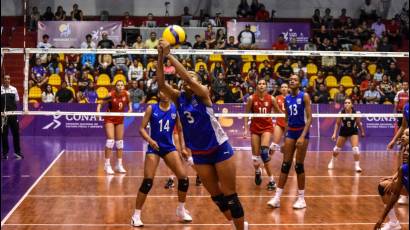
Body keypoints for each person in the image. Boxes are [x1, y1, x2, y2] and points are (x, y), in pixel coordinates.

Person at [157, 39, 248, 230]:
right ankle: (235, 224)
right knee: (216, 196)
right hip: (199, 153)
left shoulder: (204, 93)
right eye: (185, 77)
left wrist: (169, 55)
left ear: (199, 82)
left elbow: (188, 79)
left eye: (192, 77)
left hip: (219, 147)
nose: (187, 79)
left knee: (230, 196)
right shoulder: (178, 98)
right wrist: (160, 56)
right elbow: (161, 83)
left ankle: (241, 227)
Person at [130, 91, 192, 226]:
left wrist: (182, 148)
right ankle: (136, 215)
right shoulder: (152, 108)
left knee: (184, 179)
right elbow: (141, 129)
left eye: (166, 91)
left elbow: (180, 130)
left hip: (169, 147)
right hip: (154, 148)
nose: (164, 93)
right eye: (161, 91)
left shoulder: (175, 109)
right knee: (147, 182)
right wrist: (150, 141)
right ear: (159, 94)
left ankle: (181, 209)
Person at [267, 74, 312, 209]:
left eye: (295, 80)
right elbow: (286, 120)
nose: (292, 81)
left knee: (298, 165)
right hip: (291, 132)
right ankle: (277, 198)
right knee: (285, 165)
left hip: (302, 131)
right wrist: (285, 139)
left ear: (299, 83)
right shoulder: (287, 99)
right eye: (290, 79)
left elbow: (310, 118)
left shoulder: (304, 96)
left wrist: (303, 136)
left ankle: (302, 199)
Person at [244, 79, 281, 191]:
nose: (261, 85)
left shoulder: (271, 98)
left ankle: (272, 181)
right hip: (255, 129)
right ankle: (257, 171)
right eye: (259, 84)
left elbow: (279, 112)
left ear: (266, 86)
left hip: (267, 128)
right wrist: (246, 130)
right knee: (255, 161)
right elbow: (245, 114)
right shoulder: (251, 98)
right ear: (256, 86)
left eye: (263, 84)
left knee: (264, 153)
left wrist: (287, 116)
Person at [374, 129, 408, 230]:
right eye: (403, 134)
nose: (403, 136)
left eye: (407, 135)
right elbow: (403, 168)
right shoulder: (404, 151)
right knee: (383, 187)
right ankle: (393, 223)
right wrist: (395, 177)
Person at [97, 80, 132, 174]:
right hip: (109, 118)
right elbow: (100, 103)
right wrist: (98, 111)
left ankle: (119, 165)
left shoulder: (126, 94)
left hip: (120, 119)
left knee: (120, 143)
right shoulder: (110, 95)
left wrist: (130, 109)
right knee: (110, 141)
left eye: (122, 85)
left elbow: (129, 102)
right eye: (118, 85)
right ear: (115, 86)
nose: (120, 86)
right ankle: (107, 165)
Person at [328, 98, 365, 172]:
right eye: (345, 103)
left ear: (352, 104)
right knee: (336, 149)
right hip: (343, 131)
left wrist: (362, 131)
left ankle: (357, 166)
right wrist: (334, 134)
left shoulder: (356, 113)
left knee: (356, 149)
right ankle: (332, 160)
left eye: (348, 103)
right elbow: (337, 124)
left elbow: (358, 123)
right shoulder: (341, 112)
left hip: (353, 131)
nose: (347, 104)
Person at [1, 75, 23, 160]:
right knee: (4, 135)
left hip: (13, 115)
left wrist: (13, 110)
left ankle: (17, 152)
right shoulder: (1, 89)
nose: (7, 80)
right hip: (3, 116)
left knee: (16, 134)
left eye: (8, 79)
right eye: (5, 79)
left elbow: (17, 100)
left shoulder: (14, 89)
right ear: (3, 80)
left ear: (10, 80)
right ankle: (5, 153)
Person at [269, 83, 289, 160]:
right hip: (279, 123)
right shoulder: (277, 98)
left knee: (288, 145)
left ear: (288, 89)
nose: (284, 88)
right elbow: (273, 110)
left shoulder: (292, 97)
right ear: (280, 89)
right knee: (274, 144)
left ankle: (289, 159)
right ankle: (268, 158)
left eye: (285, 87)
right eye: (282, 87)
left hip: (289, 124)